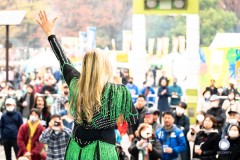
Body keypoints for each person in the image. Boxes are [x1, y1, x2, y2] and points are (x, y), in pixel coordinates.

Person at [37, 10, 137, 160]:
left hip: (76, 150)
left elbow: (63, 60)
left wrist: (50, 33)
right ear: (106, 66)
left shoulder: (76, 83)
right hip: (102, 152)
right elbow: (133, 118)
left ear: (84, 65)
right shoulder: (119, 91)